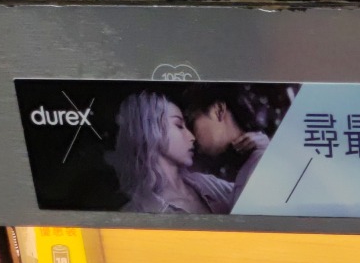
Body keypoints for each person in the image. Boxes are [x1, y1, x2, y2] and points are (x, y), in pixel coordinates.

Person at [107, 92, 240, 215]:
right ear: (151, 130)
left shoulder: (206, 183)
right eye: (179, 125)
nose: (192, 137)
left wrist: (253, 149)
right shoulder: (134, 214)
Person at [178, 89, 275, 189]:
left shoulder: (263, 162)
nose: (189, 135)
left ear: (218, 110)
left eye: (191, 124)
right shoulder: (241, 173)